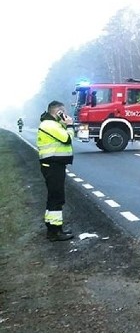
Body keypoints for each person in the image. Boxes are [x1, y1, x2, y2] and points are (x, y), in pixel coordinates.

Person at [37, 101, 75, 241]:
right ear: (58, 112)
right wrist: (69, 124)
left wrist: (64, 124)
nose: (65, 115)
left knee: (53, 197)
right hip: (52, 165)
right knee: (57, 197)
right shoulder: (49, 124)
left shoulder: (52, 124)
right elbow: (67, 138)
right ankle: (55, 232)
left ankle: (51, 227)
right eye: (63, 112)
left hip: (54, 164)